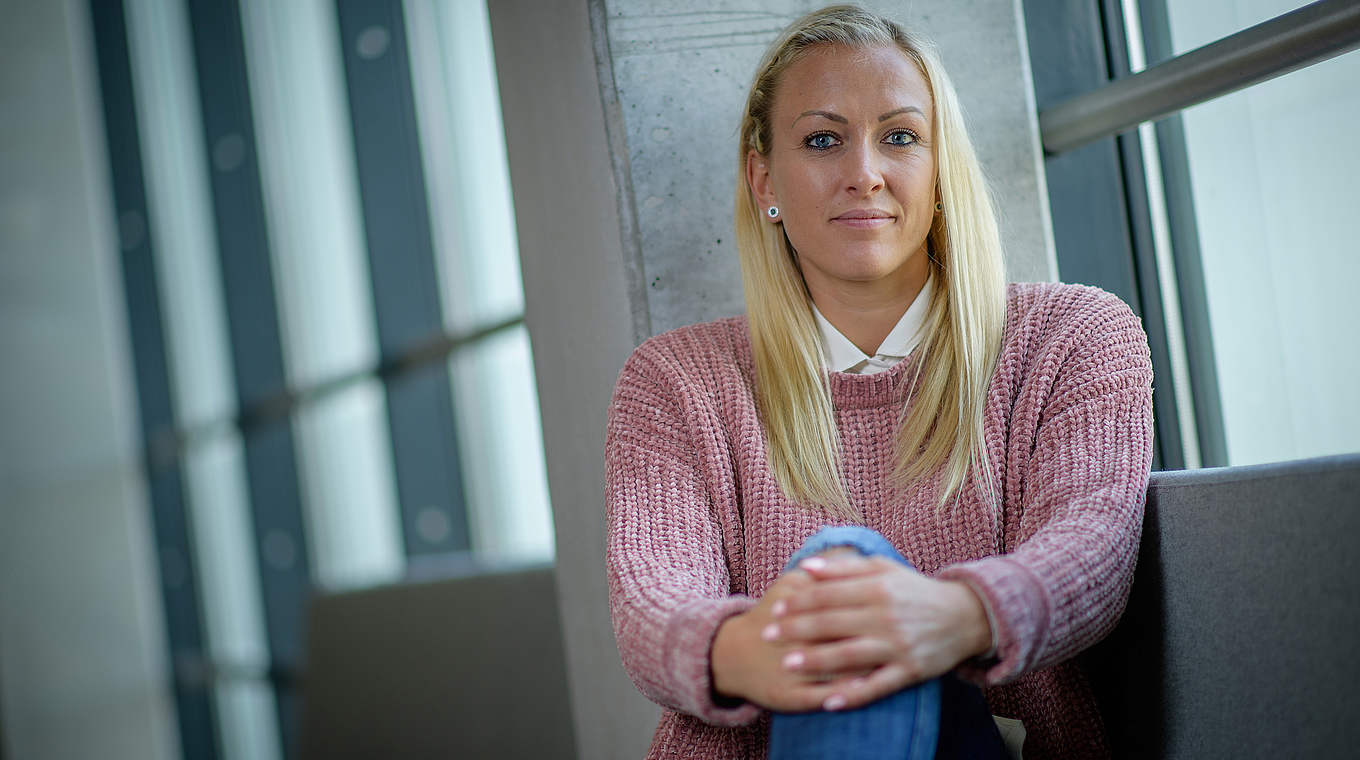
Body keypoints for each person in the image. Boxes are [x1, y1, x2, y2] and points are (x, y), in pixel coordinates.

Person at [604, 5, 1154, 759]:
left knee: (848, 574)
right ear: (763, 176)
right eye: (823, 140)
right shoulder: (673, 382)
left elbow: (1091, 547)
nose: (864, 174)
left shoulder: (1073, 337)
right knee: (847, 572)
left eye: (900, 136)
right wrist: (760, 650)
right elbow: (651, 605)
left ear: (939, 171)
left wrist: (946, 619)